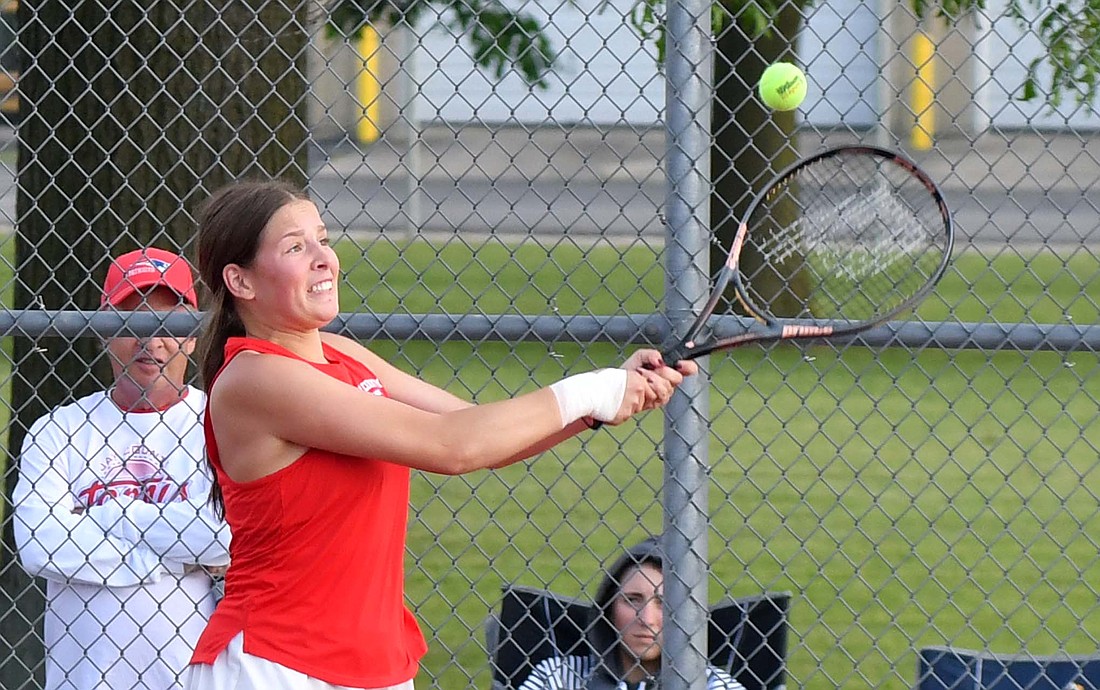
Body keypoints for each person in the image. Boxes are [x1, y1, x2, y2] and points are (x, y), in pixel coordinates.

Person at [181, 178, 697, 690]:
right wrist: (591, 390)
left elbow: (484, 434)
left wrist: (599, 405)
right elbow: (453, 445)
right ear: (241, 282)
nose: (324, 259)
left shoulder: (344, 356)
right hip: (274, 664)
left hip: (373, 664)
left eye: (324, 239)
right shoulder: (256, 378)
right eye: (296, 247)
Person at [13, 247, 232, 690]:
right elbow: (41, 546)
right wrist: (176, 559)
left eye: (168, 325)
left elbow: (228, 535)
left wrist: (108, 517)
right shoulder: (57, 431)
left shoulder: (224, 424)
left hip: (195, 680)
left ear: (192, 336)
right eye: (132, 323)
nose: (150, 342)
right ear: (103, 332)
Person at [518, 538, 744, 690]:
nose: (646, 620)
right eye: (632, 600)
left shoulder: (714, 685)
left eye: (664, 604)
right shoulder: (558, 678)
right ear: (609, 609)